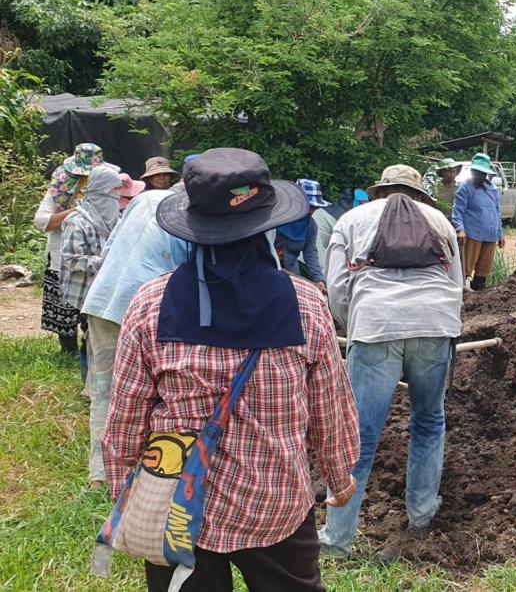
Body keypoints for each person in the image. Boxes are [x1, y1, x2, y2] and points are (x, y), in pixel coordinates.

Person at [103, 147, 360, 591]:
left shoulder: (150, 304)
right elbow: (329, 407)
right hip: (274, 499)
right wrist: (340, 475)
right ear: (268, 226)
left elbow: (127, 413)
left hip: (175, 501)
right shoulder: (304, 305)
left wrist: (124, 485)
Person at [321, 163, 463, 558]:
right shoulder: (439, 221)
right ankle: (421, 516)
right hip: (435, 325)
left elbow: (337, 288)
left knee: (360, 436)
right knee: (429, 421)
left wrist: (360, 322)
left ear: (380, 190)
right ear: (419, 194)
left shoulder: (351, 219)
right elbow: (456, 285)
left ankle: (337, 540)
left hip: (376, 326)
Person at [80, 175, 192, 493]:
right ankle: (144, 474)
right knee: (147, 394)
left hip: (103, 299)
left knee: (104, 391)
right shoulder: (190, 214)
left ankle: (99, 475)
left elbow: (110, 248)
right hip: (144, 309)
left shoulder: (144, 199)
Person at [59, 167, 122, 487]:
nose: (118, 199)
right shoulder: (78, 221)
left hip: (103, 291)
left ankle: (91, 385)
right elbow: (72, 262)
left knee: (92, 342)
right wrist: (111, 262)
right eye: (114, 193)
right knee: (91, 342)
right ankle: (90, 386)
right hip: (85, 293)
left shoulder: (108, 217)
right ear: (100, 192)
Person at [35, 143, 108, 356]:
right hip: (62, 259)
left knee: (92, 309)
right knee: (64, 309)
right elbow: (41, 221)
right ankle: (69, 351)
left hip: (94, 260)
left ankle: (91, 348)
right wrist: (75, 212)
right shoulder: (60, 191)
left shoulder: (106, 190)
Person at [452, 154, 504, 291]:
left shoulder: (493, 189)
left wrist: (501, 234)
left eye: (482, 173)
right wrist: (460, 229)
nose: (479, 175)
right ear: (472, 172)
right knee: (465, 269)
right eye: (476, 172)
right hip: (472, 234)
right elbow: (457, 211)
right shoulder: (465, 188)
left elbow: (497, 212)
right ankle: (461, 295)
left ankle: (480, 296)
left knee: (483, 270)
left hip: (491, 234)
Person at [273, 179, 328, 288]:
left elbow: (310, 252)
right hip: (266, 268)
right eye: (309, 206)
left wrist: (318, 278)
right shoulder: (275, 217)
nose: (312, 211)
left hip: (292, 273)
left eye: (315, 207)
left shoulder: (311, 226)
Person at [312, 188, 369, 260]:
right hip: (313, 258)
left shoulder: (331, 210)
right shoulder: (341, 219)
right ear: (354, 202)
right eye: (362, 203)